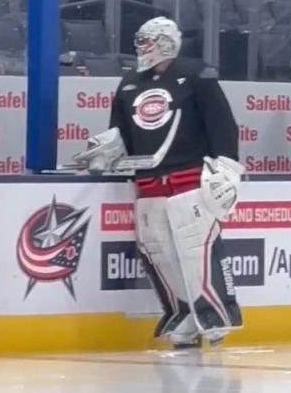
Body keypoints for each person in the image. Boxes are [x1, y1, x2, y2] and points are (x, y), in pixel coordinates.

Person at [75, 17, 244, 348]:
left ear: (167, 41)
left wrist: (227, 167)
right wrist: (105, 150)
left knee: (196, 248)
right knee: (158, 251)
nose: (141, 47)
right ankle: (182, 313)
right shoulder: (128, 83)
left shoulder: (197, 75)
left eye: (148, 40)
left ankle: (214, 313)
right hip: (148, 185)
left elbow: (223, 123)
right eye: (140, 41)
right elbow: (120, 133)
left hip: (188, 181)